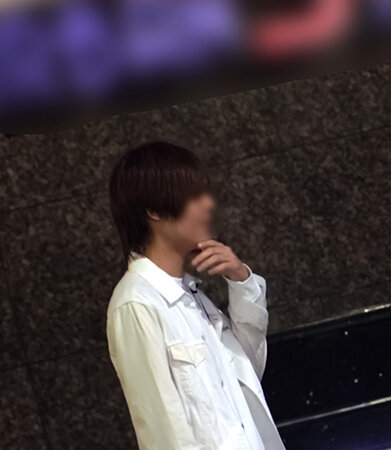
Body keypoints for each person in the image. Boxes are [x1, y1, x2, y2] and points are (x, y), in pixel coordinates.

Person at [105, 142, 285, 450]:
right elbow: (164, 432)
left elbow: (248, 373)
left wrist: (241, 279)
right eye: (194, 196)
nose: (208, 204)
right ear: (154, 210)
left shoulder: (191, 295)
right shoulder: (137, 303)